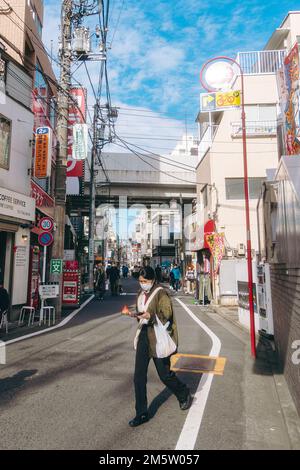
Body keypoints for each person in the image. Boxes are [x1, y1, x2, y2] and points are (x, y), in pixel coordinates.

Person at [128, 266, 192, 427]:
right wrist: (135, 314)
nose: (143, 284)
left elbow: (166, 313)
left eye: (145, 281)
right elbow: (141, 313)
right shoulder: (140, 294)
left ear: (153, 280)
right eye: (141, 281)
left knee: (164, 375)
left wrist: (151, 316)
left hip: (158, 337)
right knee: (138, 377)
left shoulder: (161, 293)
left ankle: (183, 392)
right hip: (144, 335)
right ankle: (141, 413)